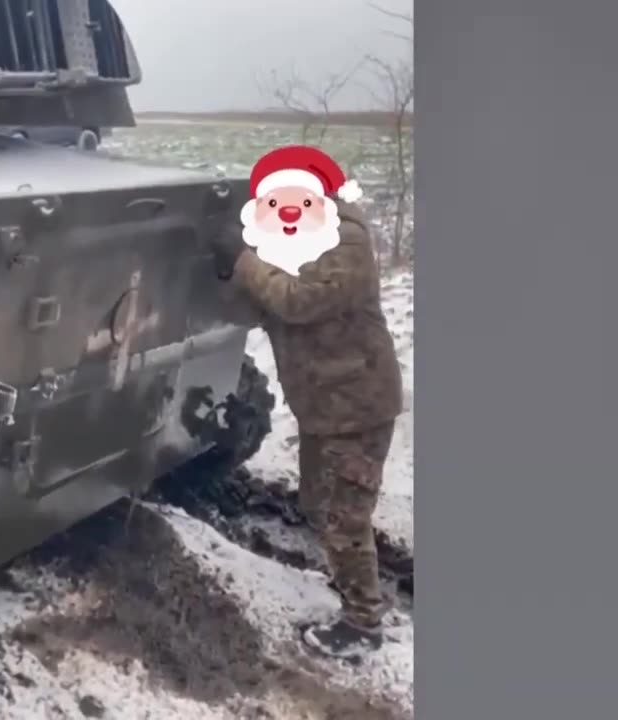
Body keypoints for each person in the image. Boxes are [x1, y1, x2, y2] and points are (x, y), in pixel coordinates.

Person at [207, 145, 403, 658]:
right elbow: (260, 303)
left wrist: (244, 262)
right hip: (322, 405)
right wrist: (226, 272)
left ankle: (363, 626)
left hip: (356, 405)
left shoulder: (346, 241)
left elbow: (298, 301)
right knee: (319, 504)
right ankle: (347, 584)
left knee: (344, 518)